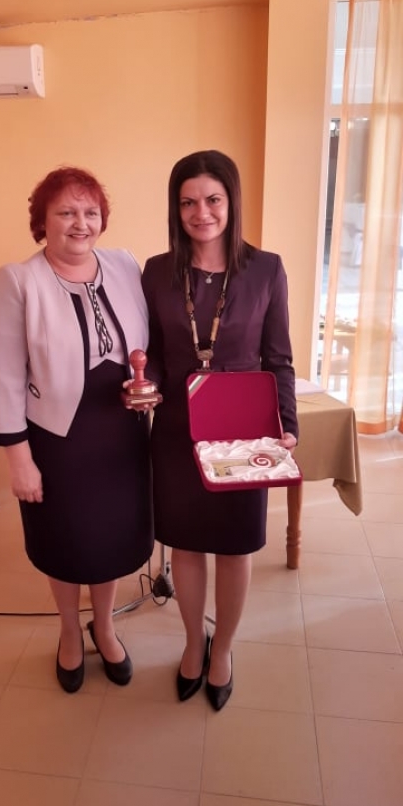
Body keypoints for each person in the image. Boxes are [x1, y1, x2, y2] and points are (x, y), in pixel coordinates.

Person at [0, 166, 153, 693]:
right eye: (67, 212)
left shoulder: (125, 264)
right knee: (65, 539)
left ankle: (104, 626)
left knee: (111, 539)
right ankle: (69, 631)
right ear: (43, 221)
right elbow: (3, 377)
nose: (81, 223)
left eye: (90, 212)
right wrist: (19, 459)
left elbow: (150, 344)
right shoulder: (19, 280)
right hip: (57, 440)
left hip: (121, 434)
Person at [142, 150, 298, 711]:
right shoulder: (157, 271)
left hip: (243, 430)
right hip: (177, 428)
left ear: (231, 202)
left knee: (235, 545)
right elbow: (153, 352)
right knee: (185, 543)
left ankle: (223, 648)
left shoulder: (266, 268)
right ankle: (193, 642)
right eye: (188, 202)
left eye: (212, 199)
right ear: (175, 208)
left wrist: (287, 426)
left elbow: (278, 357)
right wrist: (145, 385)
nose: (200, 213)